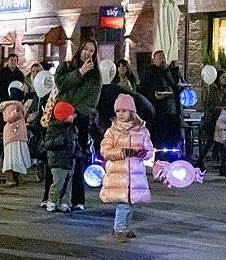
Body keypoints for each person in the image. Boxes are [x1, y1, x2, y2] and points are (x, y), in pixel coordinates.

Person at [54, 38, 102, 211]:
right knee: (59, 159)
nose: (87, 53)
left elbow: (92, 100)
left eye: (91, 50)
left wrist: (76, 112)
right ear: (80, 49)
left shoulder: (95, 77)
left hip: (79, 121)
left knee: (78, 158)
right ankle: (54, 197)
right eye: (85, 49)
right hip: (60, 118)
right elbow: (61, 85)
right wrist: (80, 72)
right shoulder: (66, 67)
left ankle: (77, 198)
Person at [99, 94, 154, 243]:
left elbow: (149, 151)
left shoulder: (142, 131)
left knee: (130, 202)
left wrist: (145, 153)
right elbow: (105, 150)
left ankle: (125, 226)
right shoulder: (112, 131)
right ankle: (119, 228)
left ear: (132, 111)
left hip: (135, 175)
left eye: (124, 110)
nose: (121, 114)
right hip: (119, 174)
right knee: (124, 203)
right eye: (118, 111)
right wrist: (122, 152)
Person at [138, 50, 182, 162]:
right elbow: (143, 91)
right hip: (159, 112)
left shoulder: (170, 73)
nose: (162, 60)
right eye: (160, 58)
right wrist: (155, 97)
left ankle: (171, 161)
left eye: (164, 58)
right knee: (160, 141)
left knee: (171, 140)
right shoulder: (149, 74)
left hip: (172, 112)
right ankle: (160, 163)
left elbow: (175, 88)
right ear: (154, 60)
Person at [43, 101, 77, 213]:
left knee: (68, 184)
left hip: (69, 159)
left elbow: (74, 141)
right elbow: (47, 144)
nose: (74, 115)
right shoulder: (53, 128)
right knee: (58, 182)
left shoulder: (71, 128)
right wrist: (57, 141)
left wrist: (77, 150)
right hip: (57, 160)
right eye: (72, 113)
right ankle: (52, 201)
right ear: (64, 116)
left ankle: (64, 203)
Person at [197, 71, 226, 170]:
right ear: (218, 78)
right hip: (212, 121)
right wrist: (223, 109)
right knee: (211, 142)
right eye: (223, 77)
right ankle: (201, 161)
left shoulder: (224, 89)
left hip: (220, 120)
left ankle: (222, 165)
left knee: (220, 143)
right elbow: (210, 106)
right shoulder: (213, 89)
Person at [1, 100, 30, 186]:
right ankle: (10, 176)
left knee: (19, 156)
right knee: (12, 157)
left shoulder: (19, 106)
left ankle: (17, 175)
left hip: (19, 135)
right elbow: (9, 118)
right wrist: (17, 110)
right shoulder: (12, 106)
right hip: (12, 135)